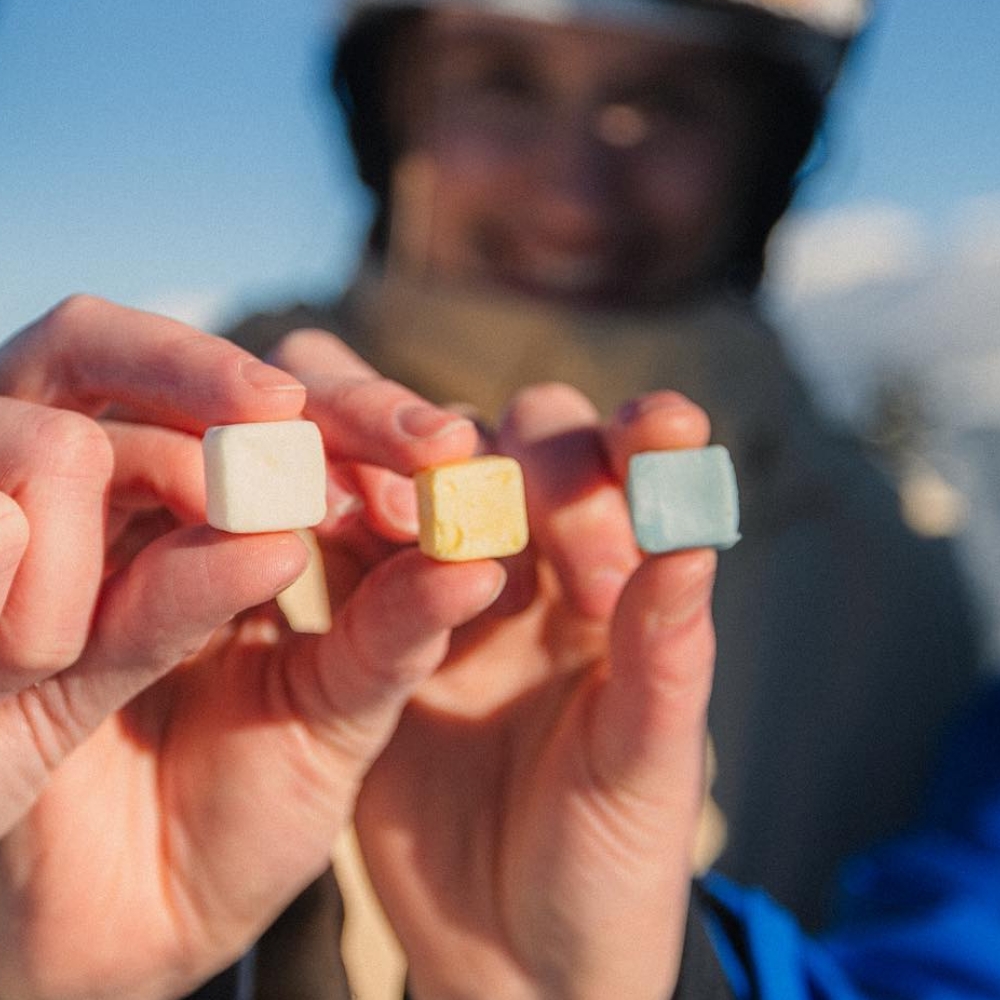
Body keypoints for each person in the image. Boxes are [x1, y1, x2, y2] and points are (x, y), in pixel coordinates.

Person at [226, 0, 984, 935]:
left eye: (668, 102)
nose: (574, 196)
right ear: (390, 111)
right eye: (502, 82)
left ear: (765, 150)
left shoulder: (897, 565)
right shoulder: (157, 483)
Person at [0, 295, 728, 1000]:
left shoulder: (837, 558)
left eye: (672, 155)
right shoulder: (148, 470)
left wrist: (542, 990)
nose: (576, 179)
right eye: (506, 153)